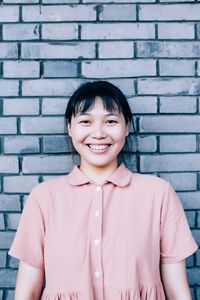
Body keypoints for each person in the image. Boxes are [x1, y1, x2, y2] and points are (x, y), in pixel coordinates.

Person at [8, 81, 198, 300]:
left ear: (126, 126)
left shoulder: (159, 195)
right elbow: (27, 293)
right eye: (86, 121)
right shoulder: (43, 198)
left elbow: (178, 293)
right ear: (70, 127)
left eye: (110, 121)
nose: (98, 133)